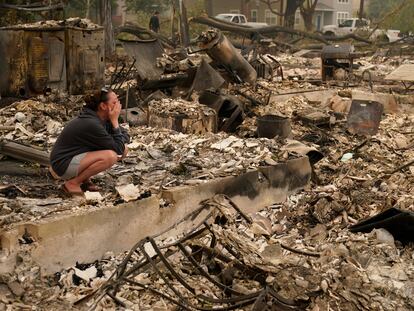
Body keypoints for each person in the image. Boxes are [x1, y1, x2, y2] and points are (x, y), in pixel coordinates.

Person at [49, 88, 129, 195]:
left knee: (123, 149)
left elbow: (126, 136)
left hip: (74, 158)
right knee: (110, 156)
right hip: (63, 164)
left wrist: (115, 126)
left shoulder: (102, 118)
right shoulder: (91, 123)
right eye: (114, 102)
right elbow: (118, 149)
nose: (118, 106)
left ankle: (85, 180)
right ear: (103, 106)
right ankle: (73, 183)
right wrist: (115, 122)